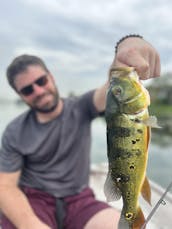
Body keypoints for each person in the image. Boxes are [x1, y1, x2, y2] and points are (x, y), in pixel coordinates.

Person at [0, 35, 160, 229]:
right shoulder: (14, 131)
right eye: (27, 89)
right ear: (20, 95)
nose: (38, 91)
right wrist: (31, 224)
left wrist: (126, 46)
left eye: (41, 81)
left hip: (79, 199)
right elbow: (5, 186)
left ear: (51, 76)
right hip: (35, 199)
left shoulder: (82, 106)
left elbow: (114, 83)